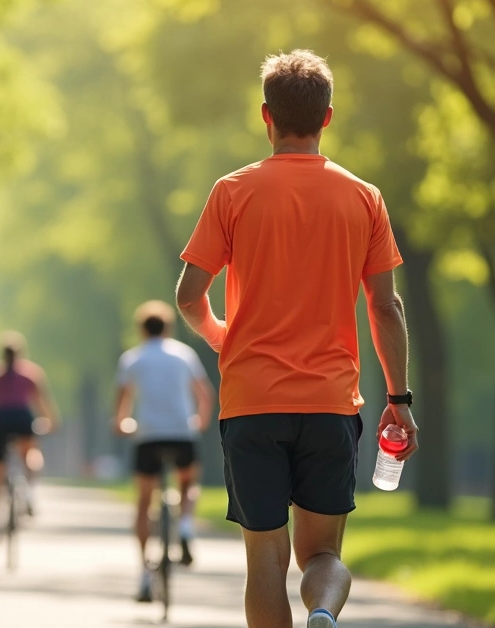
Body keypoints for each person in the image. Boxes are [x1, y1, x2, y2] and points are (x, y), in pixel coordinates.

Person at [174, 50, 419, 628]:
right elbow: (385, 307)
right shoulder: (364, 197)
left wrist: (220, 337)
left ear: (267, 115)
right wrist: (399, 399)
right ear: (327, 117)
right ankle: (324, 611)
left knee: (265, 560)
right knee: (323, 555)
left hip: (252, 402)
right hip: (330, 404)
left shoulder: (232, 191)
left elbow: (188, 296)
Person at [113, 300, 214, 602]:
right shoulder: (184, 355)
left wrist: (122, 424)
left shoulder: (132, 359)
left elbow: (122, 403)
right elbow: (205, 394)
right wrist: (199, 422)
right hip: (182, 433)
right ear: (168, 327)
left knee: (144, 502)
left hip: (147, 436)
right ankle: (185, 526)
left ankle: (145, 574)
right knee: (188, 482)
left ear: (142, 329)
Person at [0, 332, 58, 541]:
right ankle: (30, 492)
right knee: (30, 453)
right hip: (22, 418)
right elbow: (42, 402)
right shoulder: (32, 374)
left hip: (2, 420)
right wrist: (51, 421)